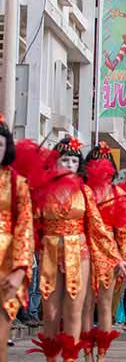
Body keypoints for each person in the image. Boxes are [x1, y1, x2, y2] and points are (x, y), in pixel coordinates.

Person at [26, 137, 126, 362]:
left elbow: (98, 228)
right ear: (55, 162)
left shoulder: (85, 192)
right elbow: (32, 226)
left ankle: (71, 358)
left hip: (79, 253)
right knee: (51, 313)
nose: (70, 165)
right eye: (65, 160)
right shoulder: (42, 191)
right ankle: (52, 358)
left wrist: (117, 258)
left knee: (74, 309)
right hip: (50, 254)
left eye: (74, 161)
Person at [81, 142, 126, 362]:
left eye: (104, 162)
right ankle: (86, 354)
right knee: (86, 304)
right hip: (84, 251)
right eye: (95, 162)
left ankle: (102, 355)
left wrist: (122, 259)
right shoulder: (83, 192)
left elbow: (123, 232)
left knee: (104, 305)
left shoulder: (119, 193)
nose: (100, 166)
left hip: (109, 255)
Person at [0, 116, 34, 362]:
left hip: (7, 265)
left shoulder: (17, 183)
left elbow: (25, 228)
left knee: (0, 340)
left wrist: (20, 270)